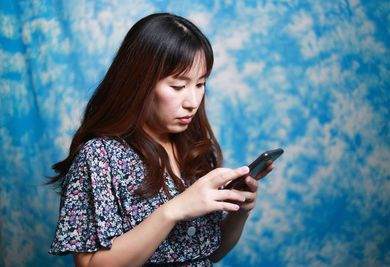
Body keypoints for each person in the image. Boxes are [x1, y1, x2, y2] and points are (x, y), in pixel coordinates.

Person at [48, 13, 274, 267]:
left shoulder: (194, 148)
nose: (192, 102)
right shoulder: (99, 157)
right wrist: (174, 210)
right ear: (139, 83)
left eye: (200, 84)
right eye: (178, 86)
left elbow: (208, 253)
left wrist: (240, 211)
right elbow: (91, 265)